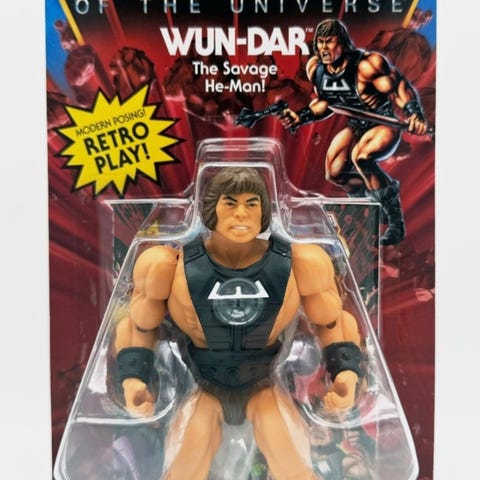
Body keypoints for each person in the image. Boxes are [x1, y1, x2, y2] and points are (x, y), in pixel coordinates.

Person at [114, 166, 363, 480]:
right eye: (230, 203)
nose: (241, 214)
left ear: (264, 211)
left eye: (251, 204)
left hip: (263, 385)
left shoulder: (302, 263)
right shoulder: (166, 266)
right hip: (205, 386)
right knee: (185, 465)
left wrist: (347, 374)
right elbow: (139, 326)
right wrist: (133, 380)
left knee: (293, 465)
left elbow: (333, 322)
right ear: (211, 209)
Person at [279, 19, 429, 246]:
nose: (323, 48)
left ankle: (395, 222)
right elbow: (325, 103)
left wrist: (414, 113)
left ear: (342, 43)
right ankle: (370, 205)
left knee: (362, 157)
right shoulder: (316, 69)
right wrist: (302, 117)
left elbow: (399, 86)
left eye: (329, 42)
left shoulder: (367, 65)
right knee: (334, 172)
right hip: (356, 126)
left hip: (383, 123)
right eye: (320, 42)